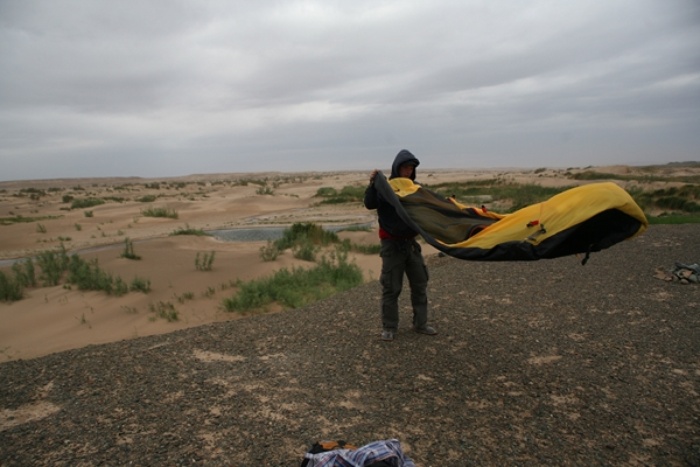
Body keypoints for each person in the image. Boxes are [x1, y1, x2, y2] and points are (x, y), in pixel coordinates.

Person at [364, 149, 437, 341]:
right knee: (391, 287)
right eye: (405, 167)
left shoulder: (414, 188)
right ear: (397, 168)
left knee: (420, 284)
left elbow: (427, 208)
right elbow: (370, 203)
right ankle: (389, 327)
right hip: (391, 246)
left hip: (411, 246)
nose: (408, 171)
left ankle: (420, 323)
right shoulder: (385, 188)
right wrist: (373, 184)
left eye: (411, 169)